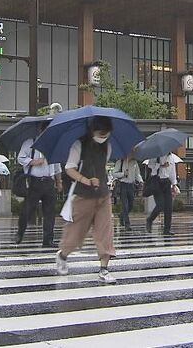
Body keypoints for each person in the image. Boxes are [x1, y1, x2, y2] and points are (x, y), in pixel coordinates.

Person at [56, 116, 118, 284]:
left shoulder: (108, 147)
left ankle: (104, 269)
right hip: (83, 195)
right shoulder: (78, 145)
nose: (103, 137)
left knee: (105, 232)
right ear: (92, 131)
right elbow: (69, 168)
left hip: (103, 195)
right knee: (76, 234)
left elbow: (102, 167)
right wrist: (86, 180)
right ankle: (62, 255)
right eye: (101, 133)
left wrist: (101, 182)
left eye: (107, 134)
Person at [16, 128, 62, 247]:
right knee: (28, 209)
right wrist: (33, 161)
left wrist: (59, 181)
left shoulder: (52, 144)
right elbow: (20, 158)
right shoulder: (29, 143)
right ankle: (20, 232)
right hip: (34, 181)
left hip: (49, 181)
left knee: (49, 212)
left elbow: (56, 164)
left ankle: (48, 239)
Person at [146, 154, 179, 235]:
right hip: (157, 182)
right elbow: (150, 166)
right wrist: (161, 165)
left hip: (166, 182)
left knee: (169, 207)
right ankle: (150, 219)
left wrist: (174, 184)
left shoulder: (171, 157)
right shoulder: (155, 155)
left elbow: (172, 171)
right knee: (160, 204)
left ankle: (167, 229)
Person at [112, 152, 143, 231]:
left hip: (131, 186)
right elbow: (114, 173)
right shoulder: (120, 162)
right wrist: (123, 174)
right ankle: (127, 224)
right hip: (123, 185)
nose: (132, 155)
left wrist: (140, 181)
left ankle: (122, 216)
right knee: (125, 205)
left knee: (131, 204)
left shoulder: (134, 162)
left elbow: (137, 174)